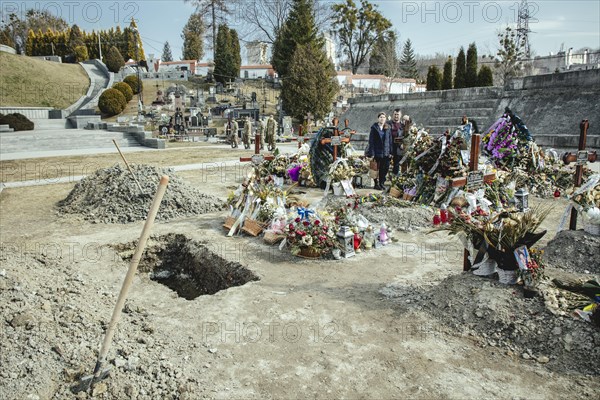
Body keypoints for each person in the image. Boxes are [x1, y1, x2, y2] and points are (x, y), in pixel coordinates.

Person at [365, 112, 391, 190]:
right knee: (375, 169)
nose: (382, 118)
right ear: (378, 118)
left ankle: (382, 183)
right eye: (380, 117)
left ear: (385, 119)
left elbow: (390, 141)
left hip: (385, 152)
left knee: (384, 168)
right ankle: (376, 184)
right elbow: (371, 141)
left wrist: (391, 152)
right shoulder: (374, 128)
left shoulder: (388, 127)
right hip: (376, 152)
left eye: (383, 117)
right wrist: (371, 153)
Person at [389, 109, 405, 176]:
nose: (396, 116)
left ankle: (395, 178)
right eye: (395, 114)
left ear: (400, 115)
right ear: (393, 115)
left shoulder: (403, 125)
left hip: (399, 147)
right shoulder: (388, 123)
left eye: (397, 114)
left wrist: (402, 143)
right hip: (390, 146)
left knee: (397, 163)